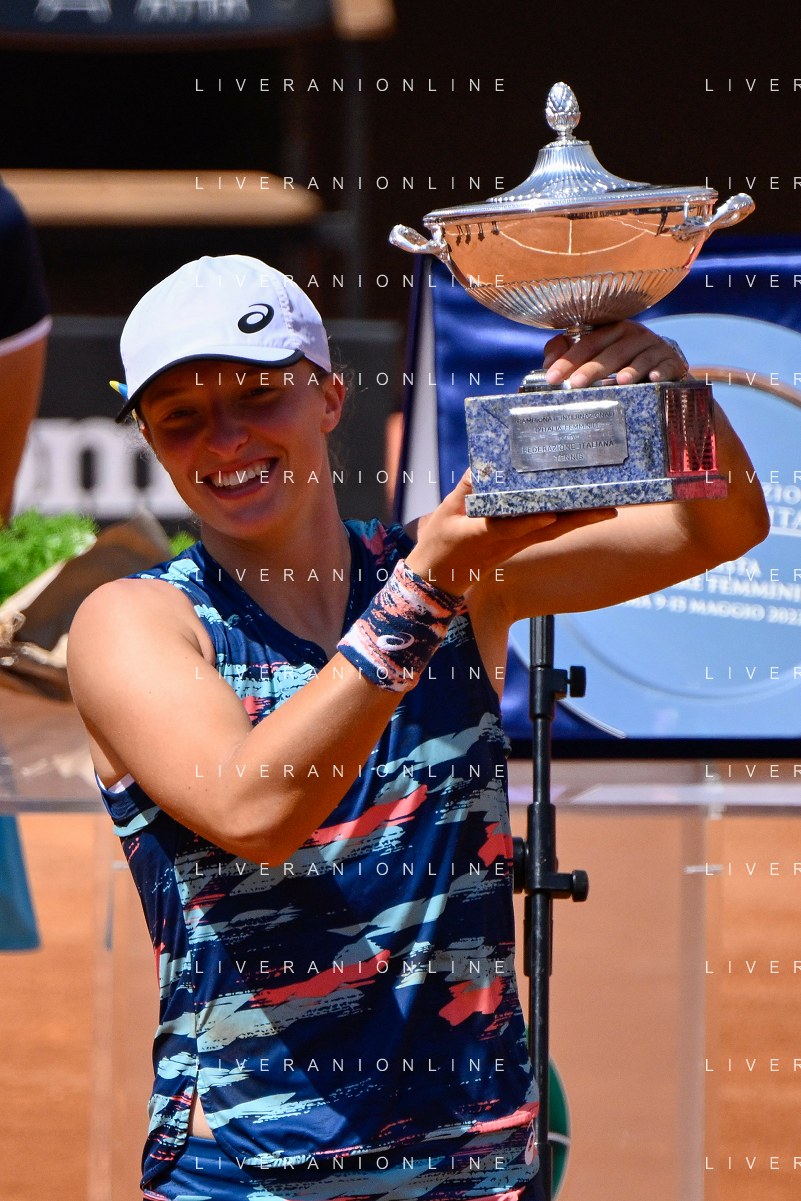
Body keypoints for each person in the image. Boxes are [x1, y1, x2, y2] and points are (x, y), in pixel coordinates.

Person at [66, 255, 768, 1201]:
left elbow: (718, 531)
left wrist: (670, 398)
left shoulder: (462, 577)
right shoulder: (135, 620)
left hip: (475, 1168)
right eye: (180, 415)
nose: (225, 437)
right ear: (150, 438)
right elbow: (254, 809)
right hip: (247, 1172)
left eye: (258, 395)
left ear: (329, 398)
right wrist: (427, 586)